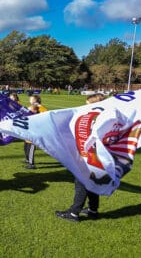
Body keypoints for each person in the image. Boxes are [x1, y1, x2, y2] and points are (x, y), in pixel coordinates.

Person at [55, 93, 105, 222]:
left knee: (81, 184)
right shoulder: (103, 117)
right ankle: (93, 210)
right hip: (97, 158)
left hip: (89, 157)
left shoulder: (94, 119)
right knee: (92, 183)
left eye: (88, 105)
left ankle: (73, 213)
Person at [24, 94, 47, 169]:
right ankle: (28, 160)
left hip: (34, 131)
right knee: (26, 145)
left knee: (31, 146)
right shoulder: (33, 106)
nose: (29, 99)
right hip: (29, 130)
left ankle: (32, 164)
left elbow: (45, 118)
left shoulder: (40, 108)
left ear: (35, 100)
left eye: (31, 98)